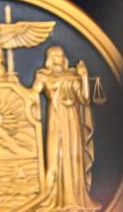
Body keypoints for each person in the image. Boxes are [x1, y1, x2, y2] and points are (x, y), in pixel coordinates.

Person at [31, 46, 100, 211]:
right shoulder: (43, 76)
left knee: (74, 156)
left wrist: (83, 77)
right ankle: (55, 198)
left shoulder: (72, 76)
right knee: (56, 156)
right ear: (49, 58)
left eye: (61, 55)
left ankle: (75, 199)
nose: (59, 59)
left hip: (72, 120)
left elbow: (83, 98)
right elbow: (32, 94)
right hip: (56, 121)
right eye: (55, 56)